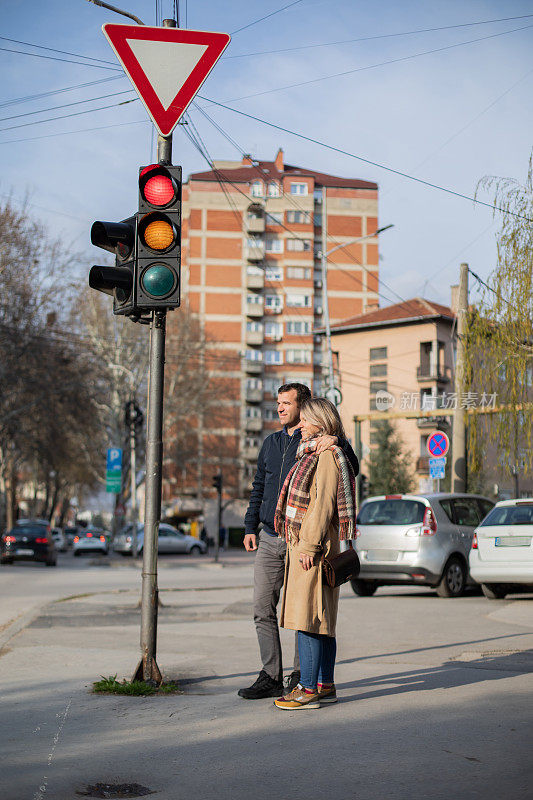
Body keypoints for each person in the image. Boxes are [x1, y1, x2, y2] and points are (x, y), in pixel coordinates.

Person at [239, 384, 358, 700]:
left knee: (303, 614)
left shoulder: (324, 447)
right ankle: (272, 675)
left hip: (304, 543)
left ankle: (303, 679)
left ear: (307, 410)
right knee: (264, 608)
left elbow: (327, 497)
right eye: (277, 403)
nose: (279, 408)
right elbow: (259, 487)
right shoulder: (274, 443)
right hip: (272, 535)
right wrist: (251, 524)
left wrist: (339, 441)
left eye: (286, 403)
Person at [273, 397, 356, 710]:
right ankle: (325, 684)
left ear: (322, 423)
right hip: (314, 543)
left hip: (312, 546)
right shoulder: (315, 452)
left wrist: (308, 545)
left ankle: (307, 689)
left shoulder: (325, 455)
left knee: (307, 618)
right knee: (320, 619)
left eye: (306, 420)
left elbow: (321, 505)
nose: (301, 425)